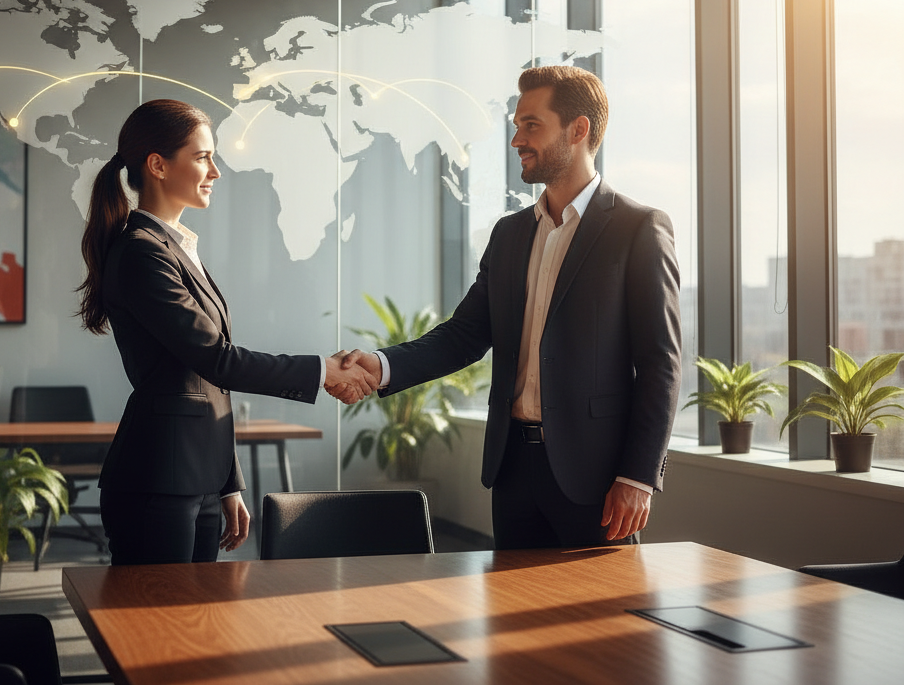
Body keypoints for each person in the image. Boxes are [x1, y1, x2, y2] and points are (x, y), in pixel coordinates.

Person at [335, 65, 681, 550]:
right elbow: (465, 335)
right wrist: (381, 364)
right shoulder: (510, 234)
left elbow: (660, 363)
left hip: (597, 480)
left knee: (599, 620)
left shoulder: (638, 228)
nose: (516, 139)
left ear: (578, 130)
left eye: (531, 125)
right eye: (516, 125)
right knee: (510, 617)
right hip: (513, 470)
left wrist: (638, 476)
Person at [78, 98, 376, 565]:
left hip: (195, 475)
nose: (215, 171)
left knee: (196, 619)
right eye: (202, 157)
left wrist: (226, 481)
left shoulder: (175, 247)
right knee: (156, 624)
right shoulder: (141, 251)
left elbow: (207, 384)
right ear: (158, 165)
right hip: (158, 479)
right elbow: (217, 359)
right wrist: (323, 371)